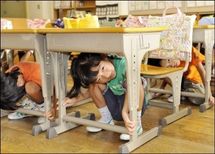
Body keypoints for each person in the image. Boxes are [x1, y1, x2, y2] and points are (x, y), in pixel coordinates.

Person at [49, 53, 148, 141]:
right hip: (118, 110)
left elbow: (133, 87)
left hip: (134, 108)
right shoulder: (101, 78)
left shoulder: (122, 63)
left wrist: (125, 112)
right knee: (93, 85)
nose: (106, 75)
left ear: (104, 57)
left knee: (135, 81)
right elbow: (90, 91)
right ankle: (107, 119)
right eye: (99, 78)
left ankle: (136, 123)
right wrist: (74, 100)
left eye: (103, 68)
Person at [148, 46, 215, 105]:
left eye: (168, 60)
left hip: (195, 82)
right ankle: (180, 93)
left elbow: (202, 72)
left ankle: (181, 94)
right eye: (167, 66)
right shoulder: (172, 64)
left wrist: (209, 95)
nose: (171, 64)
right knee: (166, 74)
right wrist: (161, 88)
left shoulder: (189, 51)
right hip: (183, 82)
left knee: (201, 99)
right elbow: (167, 76)